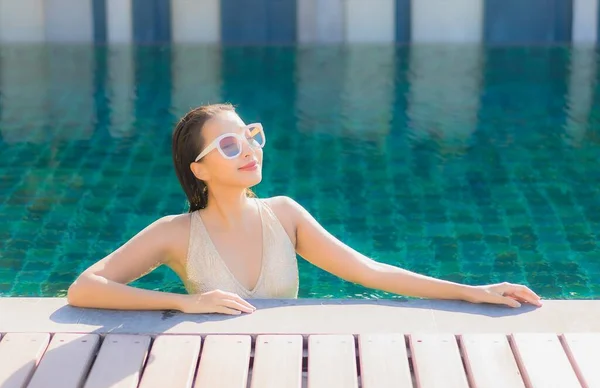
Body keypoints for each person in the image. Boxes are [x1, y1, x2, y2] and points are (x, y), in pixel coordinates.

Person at [67, 103, 542, 315]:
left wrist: (469, 291)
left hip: (285, 364)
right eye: (230, 145)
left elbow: (368, 271)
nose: (250, 149)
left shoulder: (285, 215)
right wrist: (186, 303)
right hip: (208, 368)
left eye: (250, 136)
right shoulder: (175, 233)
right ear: (201, 168)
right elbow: (85, 288)